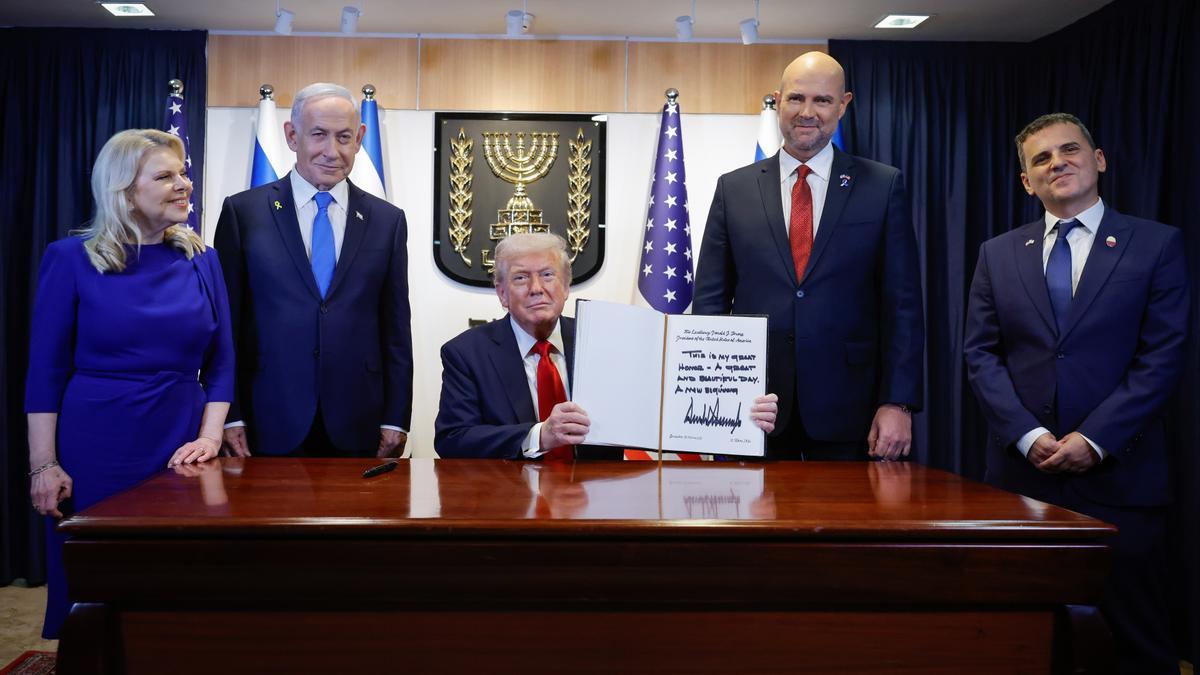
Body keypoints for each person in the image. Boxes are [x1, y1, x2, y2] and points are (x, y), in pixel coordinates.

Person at [964, 113, 1188, 673]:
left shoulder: (1156, 245)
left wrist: (1095, 438)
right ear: (1026, 182)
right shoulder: (998, 253)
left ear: (1099, 159)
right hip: (1023, 482)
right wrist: (1027, 435)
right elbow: (981, 354)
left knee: (1136, 643)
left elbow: (1162, 357)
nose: (1057, 163)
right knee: (1021, 640)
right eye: (1040, 159)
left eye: (1069, 150)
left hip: (1121, 479)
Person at [25, 129, 234, 638]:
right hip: (97, 446)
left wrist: (209, 438)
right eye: (165, 176)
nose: (184, 184)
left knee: (179, 587)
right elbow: (44, 372)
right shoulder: (70, 259)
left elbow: (224, 362)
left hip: (182, 447)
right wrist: (44, 465)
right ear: (123, 190)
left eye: (183, 173)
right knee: (100, 589)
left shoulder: (201, 258)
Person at [694, 51, 923, 461]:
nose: (807, 112)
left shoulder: (882, 186)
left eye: (822, 101)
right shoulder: (734, 188)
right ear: (778, 100)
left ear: (844, 104)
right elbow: (710, 303)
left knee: (845, 525)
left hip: (851, 408)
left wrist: (898, 402)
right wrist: (711, 400)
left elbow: (902, 306)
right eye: (796, 98)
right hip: (751, 408)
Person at [435, 232, 777, 459]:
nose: (537, 288)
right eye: (521, 277)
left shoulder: (610, 337)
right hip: (509, 504)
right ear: (502, 293)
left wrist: (744, 413)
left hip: (599, 502)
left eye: (548, 275)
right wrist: (541, 436)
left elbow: (669, 402)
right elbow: (452, 439)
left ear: (567, 286)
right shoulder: (466, 354)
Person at [214, 82, 412, 458]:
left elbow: (396, 328)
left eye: (344, 137)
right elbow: (228, 326)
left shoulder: (388, 220)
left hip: (359, 420)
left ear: (360, 138)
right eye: (318, 135)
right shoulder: (243, 213)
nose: (332, 151)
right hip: (267, 418)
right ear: (292, 135)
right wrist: (230, 414)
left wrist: (396, 418)